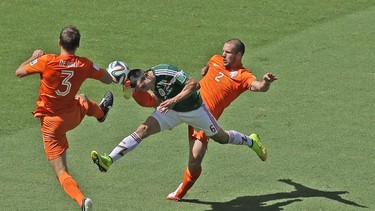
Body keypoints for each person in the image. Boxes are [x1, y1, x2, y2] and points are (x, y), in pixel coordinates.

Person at [91, 61, 272, 194]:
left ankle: (250, 141)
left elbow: (195, 85)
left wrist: (173, 101)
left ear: (147, 75)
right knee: (143, 129)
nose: (144, 89)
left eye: (144, 86)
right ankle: (109, 160)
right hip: (171, 111)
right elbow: (144, 96)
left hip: (195, 110)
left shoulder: (166, 71)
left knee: (222, 138)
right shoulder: (143, 84)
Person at [130, 38, 277, 201]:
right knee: (152, 111)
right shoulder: (215, 59)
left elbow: (259, 87)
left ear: (238, 55)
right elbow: (205, 70)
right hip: (187, 105)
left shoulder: (244, 76)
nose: (223, 55)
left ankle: (250, 141)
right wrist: (204, 71)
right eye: (223, 51)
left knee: (196, 160)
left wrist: (266, 82)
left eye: (227, 52)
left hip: (203, 118)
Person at [15, 25, 114, 211]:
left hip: (52, 124)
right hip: (72, 116)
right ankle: (101, 113)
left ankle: (82, 200)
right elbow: (107, 78)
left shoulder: (46, 60)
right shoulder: (84, 64)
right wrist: (116, 71)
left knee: (61, 172)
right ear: (78, 45)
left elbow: (19, 72)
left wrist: (34, 57)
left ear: (59, 42)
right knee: (82, 99)